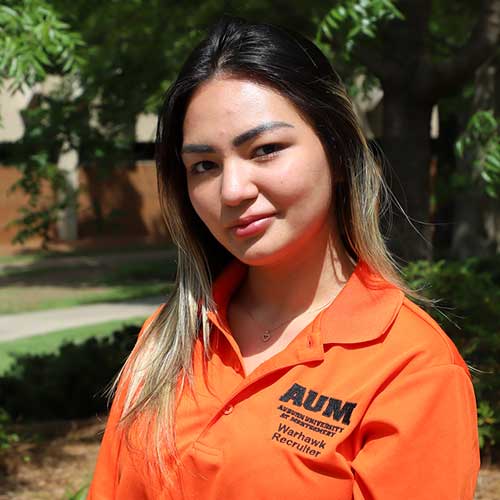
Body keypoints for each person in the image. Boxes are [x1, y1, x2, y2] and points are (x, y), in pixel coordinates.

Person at [88, 16, 480, 500]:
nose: (232, 190)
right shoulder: (169, 338)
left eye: (266, 149)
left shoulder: (411, 367)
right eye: (204, 165)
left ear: (337, 152)